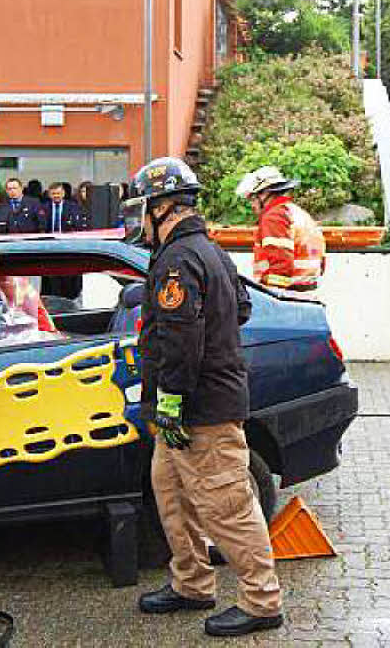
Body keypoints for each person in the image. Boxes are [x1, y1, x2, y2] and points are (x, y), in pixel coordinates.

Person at [124, 157, 283, 638]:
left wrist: (171, 400)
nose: (138, 219)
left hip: (200, 413)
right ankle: (192, 583)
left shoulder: (178, 258)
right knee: (172, 497)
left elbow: (181, 341)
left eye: (143, 208)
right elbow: (241, 307)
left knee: (226, 506)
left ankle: (262, 601)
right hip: (186, 411)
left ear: (163, 207)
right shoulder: (206, 251)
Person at [236, 166, 325, 293]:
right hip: (305, 291)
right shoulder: (296, 212)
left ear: (264, 194)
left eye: (252, 198)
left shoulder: (274, 217)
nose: (252, 205)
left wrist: (272, 296)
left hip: (287, 295)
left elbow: (280, 266)